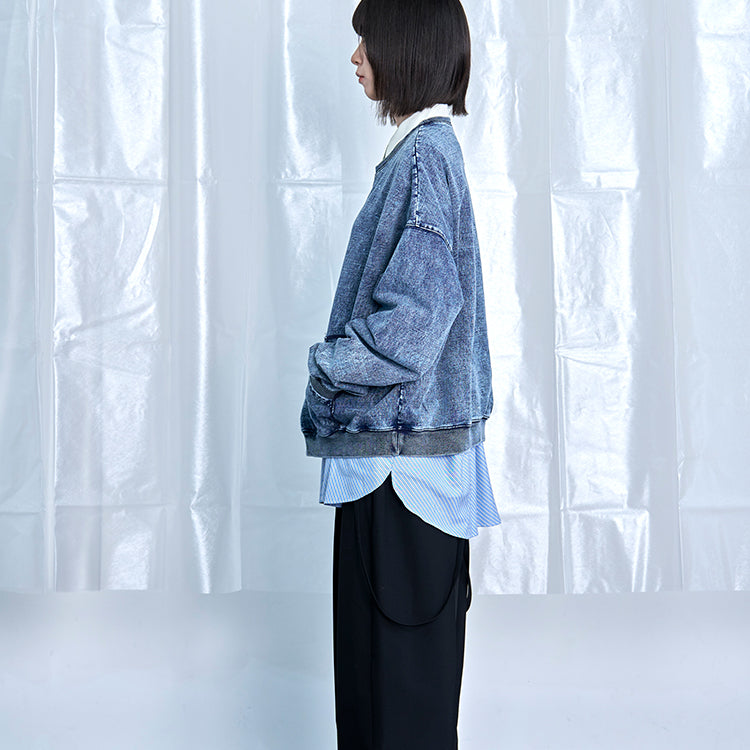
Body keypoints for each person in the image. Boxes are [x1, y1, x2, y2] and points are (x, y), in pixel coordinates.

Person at [300, 1, 501, 747]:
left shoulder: (422, 157)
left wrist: (328, 368)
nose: (355, 57)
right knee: (386, 696)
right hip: (405, 466)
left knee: (393, 704)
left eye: (368, 41)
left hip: (399, 470)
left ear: (406, 49)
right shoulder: (424, 153)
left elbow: (417, 317)